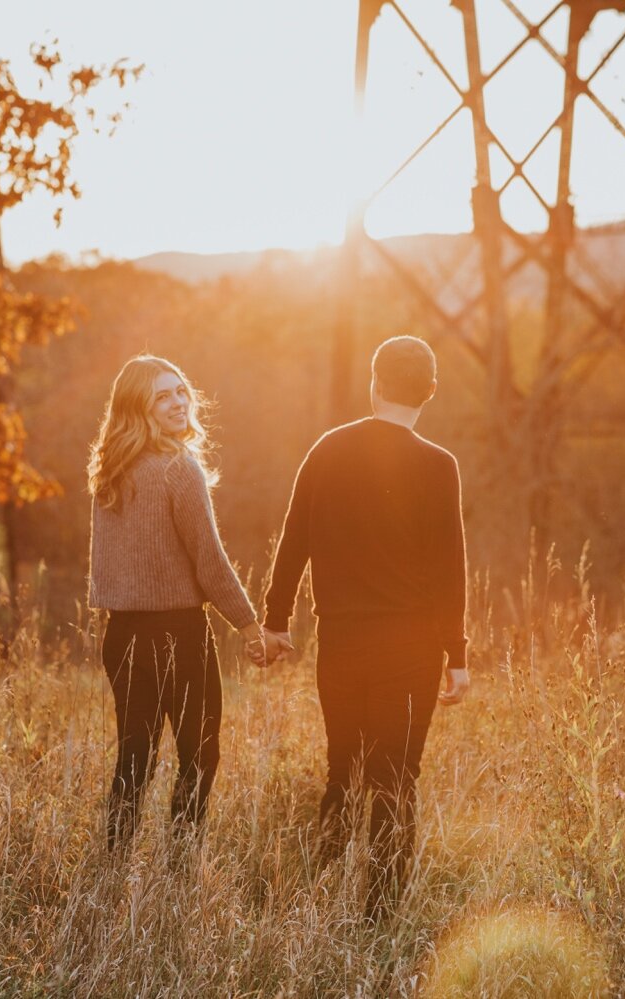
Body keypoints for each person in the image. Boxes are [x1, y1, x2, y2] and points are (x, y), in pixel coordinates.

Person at [262, 335, 471, 921]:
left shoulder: (327, 449)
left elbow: (293, 541)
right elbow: (449, 568)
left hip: (343, 643)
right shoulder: (438, 465)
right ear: (430, 391)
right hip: (412, 648)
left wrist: (276, 622)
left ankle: (319, 898)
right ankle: (379, 916)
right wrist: (456, 654)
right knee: (396, 776)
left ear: (373, 384)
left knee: (343, 766)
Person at [87, 354, 266, 849]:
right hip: (177, 635)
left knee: (134, 759)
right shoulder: (178, 469)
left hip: (121, 635)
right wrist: (250, 626)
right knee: (198, 754)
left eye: (180, 391)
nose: (177, 403)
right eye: (161, 396)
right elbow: (209, 562)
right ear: (138, 408)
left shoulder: (110, 472)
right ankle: (181, 869)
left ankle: (113, 866)